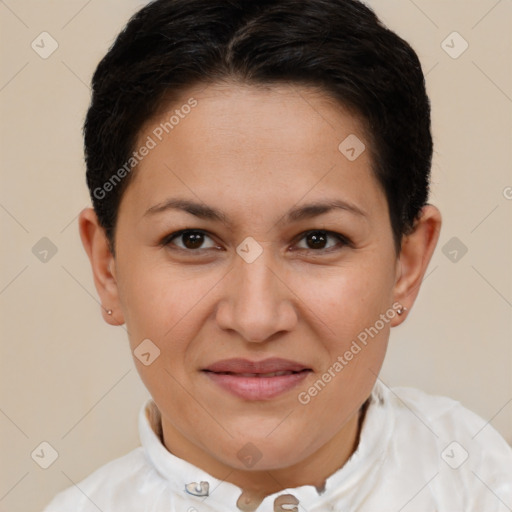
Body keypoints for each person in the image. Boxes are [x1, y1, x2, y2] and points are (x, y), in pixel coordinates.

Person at [42, 0, 512, 510]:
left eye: (318, 240)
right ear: (107, 267)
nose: (256, 318)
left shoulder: (481, 481)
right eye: (192, 239)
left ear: (408, 264)